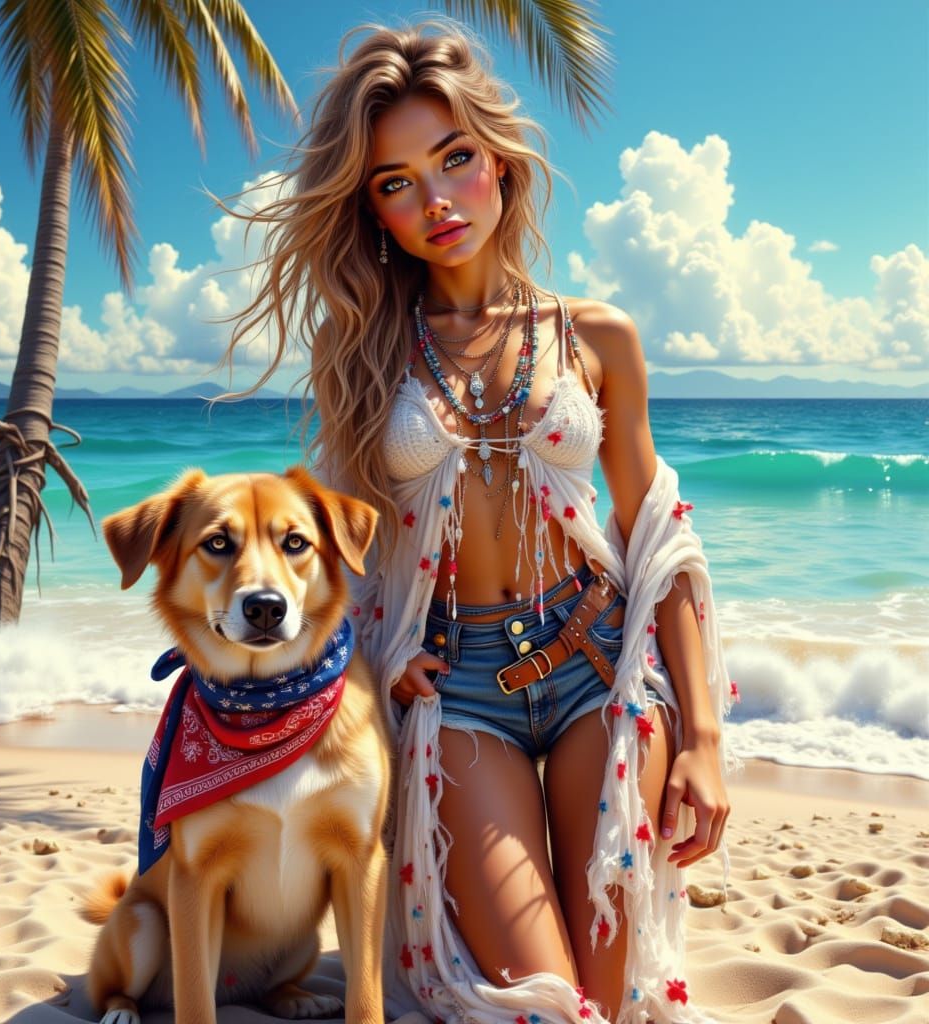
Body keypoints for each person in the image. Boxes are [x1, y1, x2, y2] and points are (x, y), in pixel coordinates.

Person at [224, 20, 736, 1024]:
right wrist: (376, 657)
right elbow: (339, 547)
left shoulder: (595, 336)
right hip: (458, 691)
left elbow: (658, 536)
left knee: (610, 996)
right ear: (373, 209)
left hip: (595, 664)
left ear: (498, 159)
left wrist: (705, 740)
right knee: (545, 1004)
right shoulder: (362, 353)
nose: (436, 200)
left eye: (454, 158)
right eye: (396, 181)